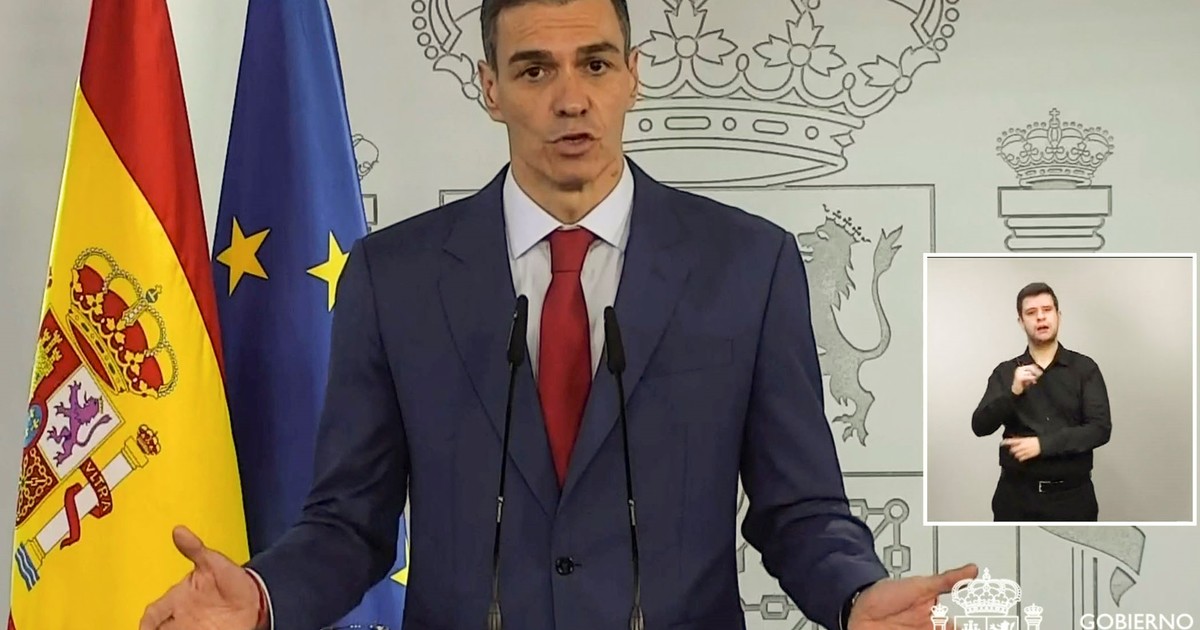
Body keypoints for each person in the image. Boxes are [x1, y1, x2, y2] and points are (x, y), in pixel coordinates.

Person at [139, 0, 977, 628]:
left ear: (634, 75)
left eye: (596, 65)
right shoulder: (394, 278)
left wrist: (856, 595)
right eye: (536, 70)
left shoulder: (746, 265)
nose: (571, 98)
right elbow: (349, 524)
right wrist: (263, 597)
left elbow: (799, 509)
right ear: (490, 88)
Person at [971, 282, 1112, 522]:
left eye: (1047, 310)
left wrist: (1043, 445)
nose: (1040, 317)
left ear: (1058, 316)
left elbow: (1100, 429)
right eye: (1031, 312)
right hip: (1016, 498)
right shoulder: (1005, 372)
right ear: (1021, 322)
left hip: (1072, 499)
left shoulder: (1084, 368)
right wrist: (1013, 392)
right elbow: (980, 426)